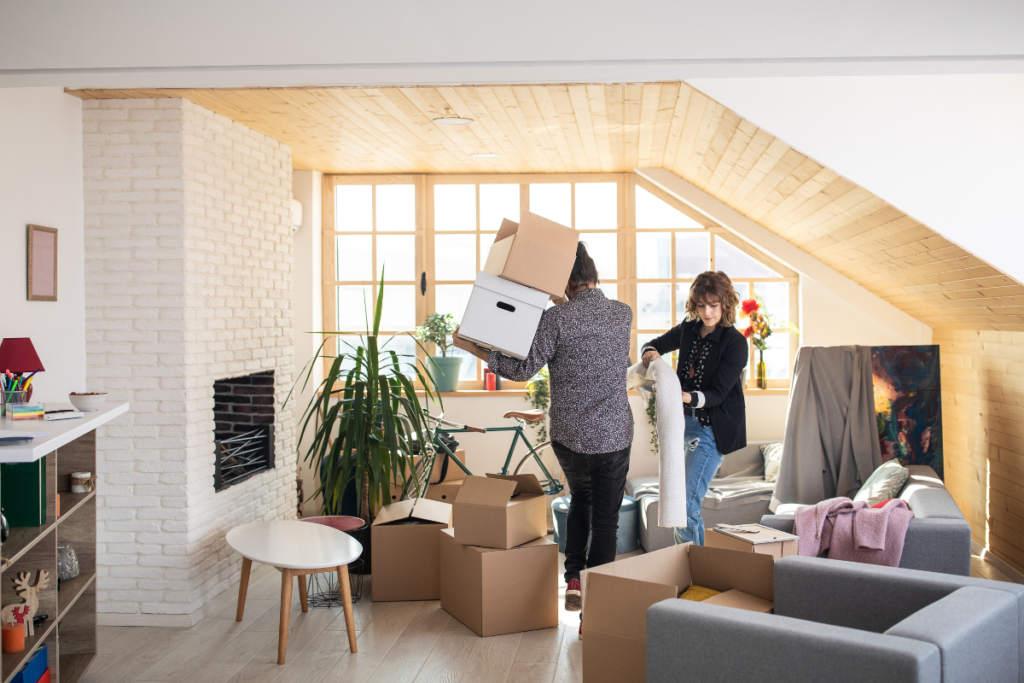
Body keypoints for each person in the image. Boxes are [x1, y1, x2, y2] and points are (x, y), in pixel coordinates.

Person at [453, 243, 633, 612]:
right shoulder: (622, 314)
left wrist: (471, 346)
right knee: (607, 521)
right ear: (595, 275)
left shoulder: (555, 319)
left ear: (562, 284)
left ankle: (573, 579)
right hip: (614, 435)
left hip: (571, 436)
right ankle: (596, 609)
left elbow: (521, 370)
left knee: (579, 500)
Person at [641, 271, 748, 546]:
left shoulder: (736, 343)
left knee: (685, 504)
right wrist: (651, 353)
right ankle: (690, 566)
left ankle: (693, 575)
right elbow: (653, 345)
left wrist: (681, 396)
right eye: (701, 305)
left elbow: (717, 394)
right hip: (682, 424)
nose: (707, 312)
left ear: (725, 303)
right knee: (679, 504)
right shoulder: (688, 328)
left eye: (713, 305)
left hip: (713, 429)